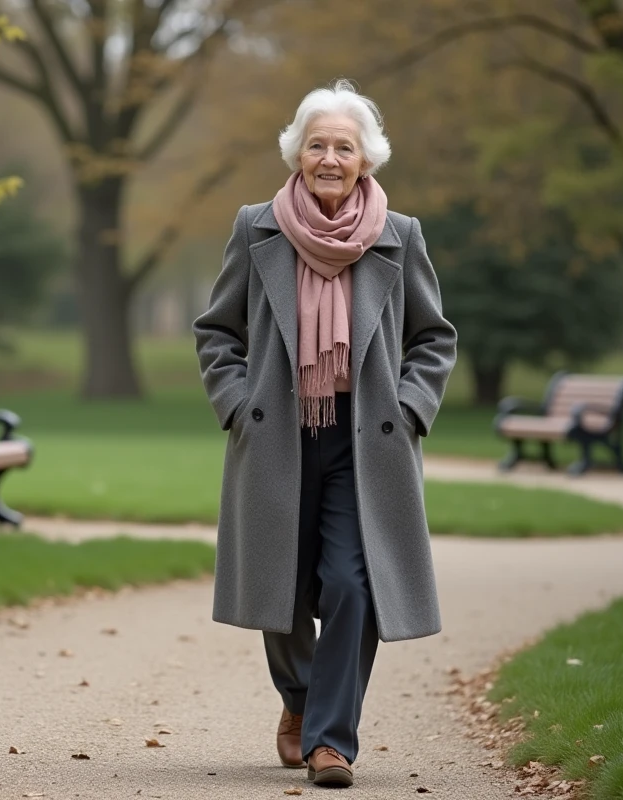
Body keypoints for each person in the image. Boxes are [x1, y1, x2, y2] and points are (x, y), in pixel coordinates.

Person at [193, 79, 457, 788]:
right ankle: (302, 698)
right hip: (276, 432)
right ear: (297, 154)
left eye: (344, 146)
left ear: (366, 158)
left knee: (351, 584)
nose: (330, 159)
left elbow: (433, 338)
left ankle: (329, 741)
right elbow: (217, 331)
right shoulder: (257, 227)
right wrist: (236, 404)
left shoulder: (400, 235)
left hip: (366, 441)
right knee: (278, 585)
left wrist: (410, 408)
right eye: (317, 146)